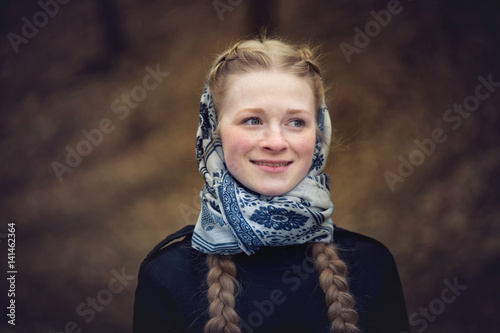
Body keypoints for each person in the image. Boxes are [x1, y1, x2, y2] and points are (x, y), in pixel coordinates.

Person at [133, 37, 410, 333]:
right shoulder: (166, 277)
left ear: (318, 134)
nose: (276, 142)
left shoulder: (372, 266)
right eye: (253, 120)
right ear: (213, 132)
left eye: (296, 122)